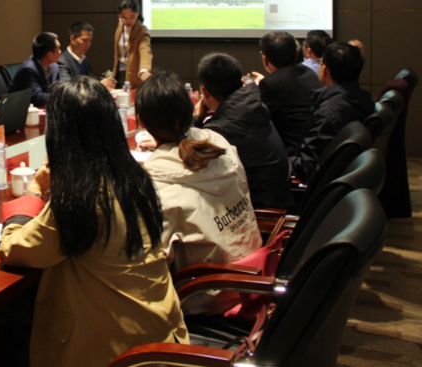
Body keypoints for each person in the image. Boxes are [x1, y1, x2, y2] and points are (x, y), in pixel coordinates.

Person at [0, 76, 187, 367]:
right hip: (161, 335)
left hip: (116, 353)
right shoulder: (135, 177)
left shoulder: (82, 198)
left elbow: (14, 250)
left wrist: (33, 193)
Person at [135, 71, 261, 274]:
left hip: (211, 287)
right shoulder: (219, 142)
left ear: (141, 121)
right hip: (255, 267)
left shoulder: (156, 189)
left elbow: (151, 265)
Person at [192, 55, 292, 210]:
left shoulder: (222, 129)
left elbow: (188, 163)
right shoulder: (253, 105)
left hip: (262, 213)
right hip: (279, 201)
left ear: (204, 92)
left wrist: (196, 119)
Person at [292, 42, 375, 181]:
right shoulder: (364, 98)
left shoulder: (329, 112)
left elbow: (307, 167)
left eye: (320, 62)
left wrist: (283, 161)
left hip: (314, 184)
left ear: (325, 69)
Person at [251, 31, 322, 156]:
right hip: (317, 147)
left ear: (265, 59)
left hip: (293, 154)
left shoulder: (270, 84)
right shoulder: (308, 72)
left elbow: (257, 122)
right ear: (296, 53)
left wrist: (253, 89)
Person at [8, 32, 62, 107]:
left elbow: (60, 89)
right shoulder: (28, 69)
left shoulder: (54, 67)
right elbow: (38, 98)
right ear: (49, 55)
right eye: (58, 49)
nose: (60, 51)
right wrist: (62, 97)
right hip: (15, 110)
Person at [57, 21, 117, 88]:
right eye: (85, 40)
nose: (88, 45)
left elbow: (90, 79)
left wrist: (104, 81)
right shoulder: (62, 61)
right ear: (72, 39)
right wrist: (99, 84)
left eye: (90, 41)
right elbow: (68, 88)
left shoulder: (84, 59)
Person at [111, 0, 153, 89]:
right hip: (119, 71)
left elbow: (145, 50)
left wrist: (144, 70)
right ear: (119, 14)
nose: (128, 21)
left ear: (138, 13)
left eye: (132, 17)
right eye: (124, 17)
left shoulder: (142, 31)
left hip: (134, 74)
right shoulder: (120, 25)